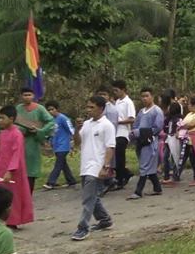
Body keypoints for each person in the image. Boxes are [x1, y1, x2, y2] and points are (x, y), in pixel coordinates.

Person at [71, 95, 115, 241]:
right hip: (85, 165)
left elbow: (110, 147)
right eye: (87, 107)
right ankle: (105, 219)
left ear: (101, 108)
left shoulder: (107, 125)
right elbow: (77, 142)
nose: (88, 110)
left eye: (92, 107)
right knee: (92, 197)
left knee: (88, 198)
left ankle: (83, 227)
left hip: (96, 167)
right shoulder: (87, 125)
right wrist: (77, 130)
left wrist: (105, 166)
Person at [0, 106, 33, 229]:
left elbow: (17, 154)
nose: (0, 121)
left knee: (13, 195)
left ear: (11, 119)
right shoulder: (2, 133)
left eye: (3, 118)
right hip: (1, 169)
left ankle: (12, 221)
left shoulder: (17, 134)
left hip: (14, 171)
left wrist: (10, 171)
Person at [15, 88, 54, 193]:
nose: (27, 97)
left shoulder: (40, 108)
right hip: (20, 141)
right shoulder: (18, 108)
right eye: (24, 95)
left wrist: (41, 131)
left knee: (30, 171)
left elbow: (51, 122)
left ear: (33, 96)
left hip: (33, 143)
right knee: (18, 169)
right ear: (21, 96)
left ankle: (28, 194)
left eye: (29, 95)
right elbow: (14, 122)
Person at [127, 88, 164, 199]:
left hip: (151, 141)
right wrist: (135, 133)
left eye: (147, 96)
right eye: (142, 96)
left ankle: (138, 191)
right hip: (140, 141)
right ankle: (157, 188)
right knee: (149, 166)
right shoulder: (141, 112)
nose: (144, 98)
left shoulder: (157, 111)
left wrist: (142, 132)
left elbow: (157, 128)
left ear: (152, 96)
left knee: (144, 166)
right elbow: (136, 125)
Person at [43, 101, 76, 190]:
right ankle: (71, 181)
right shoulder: (51, 120)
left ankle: (51, 182)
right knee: (63, 164)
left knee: (58, 164)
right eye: (48, 110)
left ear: (57, 109)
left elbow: (71, 130)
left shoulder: (63, 118)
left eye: (52, 109)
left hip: (64, 145)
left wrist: (73, 141)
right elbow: (51, 133)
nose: (50, 111)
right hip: (56, 146)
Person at [110, 80, 136, 190]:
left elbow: (132, 118)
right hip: (115, 132)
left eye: (117, 90)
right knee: (116, 157)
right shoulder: (117, 102)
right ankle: (125, 173)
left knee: (120, 156)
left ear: (123, 90)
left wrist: (118, 122)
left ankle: (121, 179)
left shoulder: (128, 102)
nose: (115, 93)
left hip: (123, 132)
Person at [180, 97, 195, 186]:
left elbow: (191, 124)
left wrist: (182, 126)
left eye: (189, 104)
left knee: (193, 159)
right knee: (183, 158)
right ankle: (176, 175)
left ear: (194, 105)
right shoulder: (189, 114)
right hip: (186, 139)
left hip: (194, 139)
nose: (188, 106)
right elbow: (183, 123)